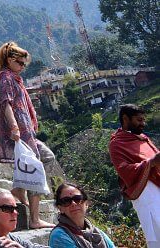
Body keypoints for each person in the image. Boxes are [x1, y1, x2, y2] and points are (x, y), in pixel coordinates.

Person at [0, 41, 54, 230]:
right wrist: (14, 127)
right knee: (35, 167)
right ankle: (35, 218)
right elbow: (6, 104)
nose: (23, 67)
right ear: (10, 59)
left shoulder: (13, 77)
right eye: (20, 63)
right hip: (20, 129)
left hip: (26, 129)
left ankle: (19, 189)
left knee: (45, 158)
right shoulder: (6, 78)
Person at [109, 103, 160, 247]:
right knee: (156, 236)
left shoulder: (143, 138)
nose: (143, 124)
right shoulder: (117, 144)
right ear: (125, 119)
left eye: (144, 120)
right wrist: (151, 163)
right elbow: (124, 170)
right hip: (146, 194)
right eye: (139, 120)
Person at [49, 182, 116, 248]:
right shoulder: (59, 236)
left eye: (77, 199)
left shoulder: (97, 233)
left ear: (86, 204)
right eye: (66, 201)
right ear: (60, 208)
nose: (73, 203)